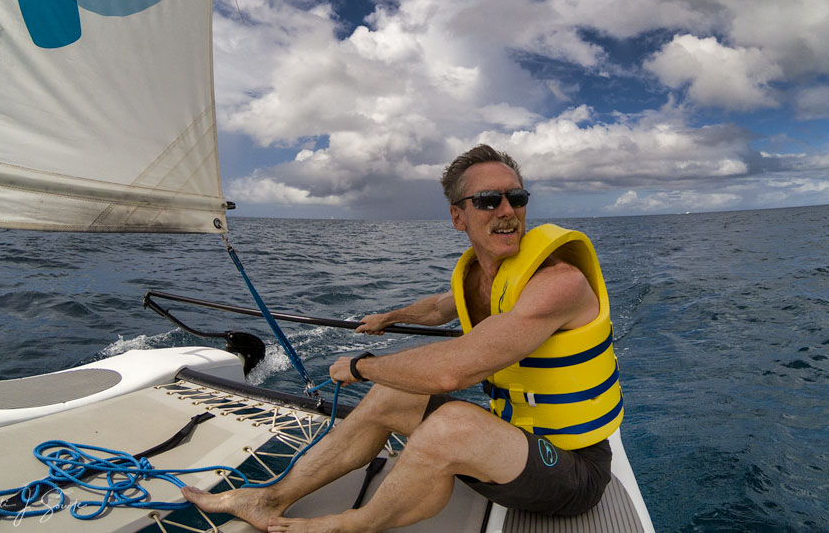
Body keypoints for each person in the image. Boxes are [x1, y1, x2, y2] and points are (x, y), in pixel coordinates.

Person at [183, 144, 624, 533]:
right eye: (489, 200)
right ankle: (268, 499)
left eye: (517, 197)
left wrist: (361, 366)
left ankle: (354, 524)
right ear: (458, 216)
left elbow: (454, 371)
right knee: (390, 396)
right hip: (513, 440)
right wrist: (388, 317)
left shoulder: (558, 283)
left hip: (573, 473)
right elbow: (437, 307)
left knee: (449, 424)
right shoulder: (484, 275)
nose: (507, 210)